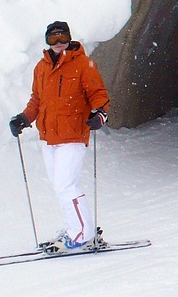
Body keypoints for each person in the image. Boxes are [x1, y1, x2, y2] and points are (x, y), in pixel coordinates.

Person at [9, 21, 110, 254]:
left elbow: (98, 94)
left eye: (62, 37)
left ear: (69, 38)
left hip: (73, 134)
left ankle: (81, 234)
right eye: (53, 39)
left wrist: (101, 114)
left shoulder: (83, 64)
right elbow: (37, 99)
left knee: (65, 184)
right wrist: (24, 118)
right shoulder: (41, 68)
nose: (58, 43)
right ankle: (75, 227)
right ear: (47, 41)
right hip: (48, 136)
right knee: (60, 185)